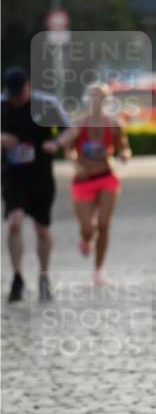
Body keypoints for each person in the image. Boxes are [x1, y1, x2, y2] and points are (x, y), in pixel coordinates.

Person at [1, 67, 76, 303]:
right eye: (11, 94)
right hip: (13, 175)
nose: (15, 99)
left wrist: (56, 143)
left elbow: (71, 130)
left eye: (19, 93)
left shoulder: (46, 104)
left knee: (42, 229)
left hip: (41, 175)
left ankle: (44, 276)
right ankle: (17, 277)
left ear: (28, 86)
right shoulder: (2, 106)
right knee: (14, 223)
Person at [63, 82, 131, 285]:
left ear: (106, 101)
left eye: (100, 97)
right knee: (87, 229)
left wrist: (125, 155)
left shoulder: (114, 125)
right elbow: (68, 151)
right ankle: (85, 239)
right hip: (83, 181)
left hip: (106, 177)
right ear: (87, 100)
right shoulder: (79, 125)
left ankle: (99, 271)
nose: (96, 101)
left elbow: (124, 148)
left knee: (103, 223)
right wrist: (76, 165)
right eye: (92, 97)